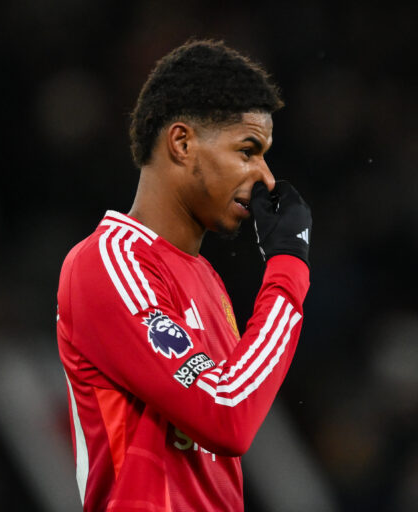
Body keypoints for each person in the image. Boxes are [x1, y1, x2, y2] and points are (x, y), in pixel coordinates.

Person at [56, 39, 312, 511]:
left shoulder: (208, 282)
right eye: (248, 150)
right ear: (182, 142)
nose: (267, 178)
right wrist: (289, 268)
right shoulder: (109, 262)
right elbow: (227, 416)